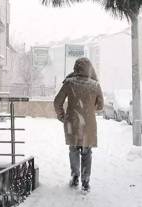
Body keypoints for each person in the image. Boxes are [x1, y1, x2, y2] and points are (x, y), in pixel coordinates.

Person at [54, 57, 103, 192]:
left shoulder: (69, 83)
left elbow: (57, 102)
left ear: (75, 68)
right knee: (87, 152)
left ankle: (75, 176)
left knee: (74, 150)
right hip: (88, 126)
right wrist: (89, 108)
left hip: (73, 124)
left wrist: (62, 116)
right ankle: (85, 181)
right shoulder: (95, 85)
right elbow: (100, 106)